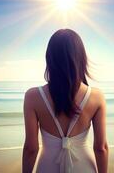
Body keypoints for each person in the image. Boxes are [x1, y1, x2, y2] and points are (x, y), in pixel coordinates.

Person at [22, 29, 108, 173]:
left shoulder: (33, 96)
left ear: (50, 58)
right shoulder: (96, 97)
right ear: (81, 58)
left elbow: (31, 148)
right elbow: (101, 148)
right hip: (85, 167)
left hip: (47, 168)